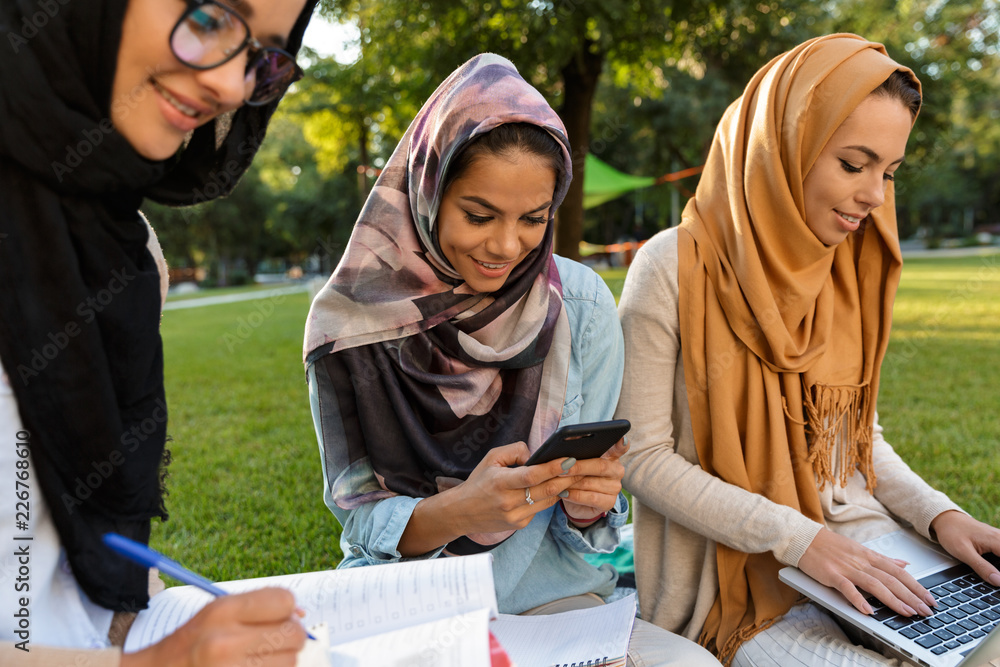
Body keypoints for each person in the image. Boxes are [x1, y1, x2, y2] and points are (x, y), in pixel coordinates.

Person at [304, 53, 719, 666]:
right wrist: (457, 513)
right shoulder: (351, 327)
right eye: (479, 216)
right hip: (410, 607)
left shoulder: (579, 306)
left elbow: (592, 533)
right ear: (429, 191)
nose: (506, 247)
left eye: (533, 219)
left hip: (553, 608)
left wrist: (592, 504)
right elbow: (360, 521)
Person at [615, 33, 1000, 667]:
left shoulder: (847, 265)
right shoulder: (671, 266)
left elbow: (852, 440)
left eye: (888, 172)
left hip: (854, 537)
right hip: (730, 578)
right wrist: (800, 540)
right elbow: (642, 459)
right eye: (854, 164)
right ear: (785, 146)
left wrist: (940, 517)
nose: (875, 195)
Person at [0, 0, 318, 665]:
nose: (233, 87)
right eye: (208, 19)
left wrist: (155, 636)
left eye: (263, 56)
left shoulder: (129, 251)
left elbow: (85, 566)